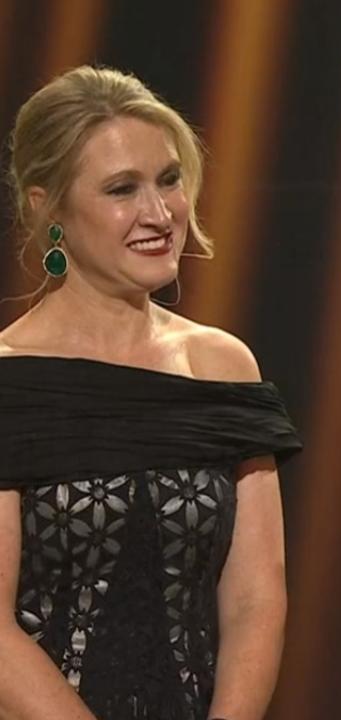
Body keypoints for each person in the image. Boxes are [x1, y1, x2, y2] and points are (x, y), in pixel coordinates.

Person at [0, 67, 301, 720]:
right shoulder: (9, 382)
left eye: (169, 180)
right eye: (121, 189)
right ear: (44, 206)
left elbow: (256, 600)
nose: (160, 214)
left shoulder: (222, 367)